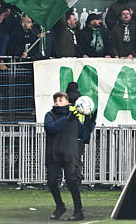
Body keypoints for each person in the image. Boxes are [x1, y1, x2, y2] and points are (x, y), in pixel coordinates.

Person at [44, 91, 87, 221]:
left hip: (69, 154)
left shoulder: (73, 116)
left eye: (61, 100)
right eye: (56, 101)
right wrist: (66, 119)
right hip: (54, 154)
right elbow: (50, 128)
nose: (58, 103)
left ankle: (78, 211)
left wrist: (88, 122)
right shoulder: (49, 115)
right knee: (51, 181)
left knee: (72, 182)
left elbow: (82, 134)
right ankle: (60, 206)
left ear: (67, 102)